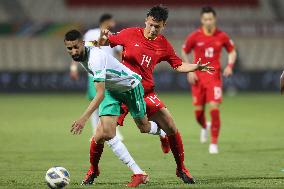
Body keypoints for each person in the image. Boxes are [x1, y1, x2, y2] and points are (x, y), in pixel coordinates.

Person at [98, 5, 214, 184]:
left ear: (163, 26)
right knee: (101, 134)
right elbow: (107, 42)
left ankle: (181, 168)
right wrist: (104, 37)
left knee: (170, 125)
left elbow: (178, 64)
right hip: (121, 92)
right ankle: (92, 171)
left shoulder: (163, 44)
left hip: (144, 92)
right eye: (151, 24)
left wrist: (196, 67)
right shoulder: (129, 34)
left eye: (157, 27)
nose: (153, 29)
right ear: (146, 20)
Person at [181, 6, 237, 154]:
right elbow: (184, 50)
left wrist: (230, 65)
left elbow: (232, 51)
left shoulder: (222, 36)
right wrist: (190, 69)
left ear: (214, 19)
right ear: (202, 20)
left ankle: (213, 143)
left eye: (210, 19)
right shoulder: (195, 36)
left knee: (214, 108)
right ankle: (205, 126)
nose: (208, 21)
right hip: (198, 79)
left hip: (214, 78)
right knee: (198, 114)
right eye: (205, 19)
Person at [69, 13, 124, 140]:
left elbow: (119, 53)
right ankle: (96, 131)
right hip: (93, 73)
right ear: (107, 21)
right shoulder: (91, 34)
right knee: (96, 103)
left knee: (111, 102)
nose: (114, 23)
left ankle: (113, 131)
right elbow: (78, 49)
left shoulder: (113, 35)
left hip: (110, 75)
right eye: (112, 21)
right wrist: (73, 67)